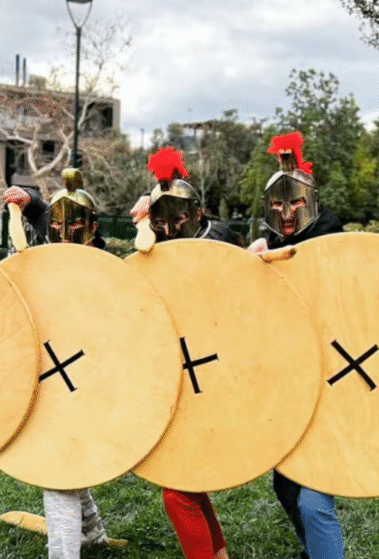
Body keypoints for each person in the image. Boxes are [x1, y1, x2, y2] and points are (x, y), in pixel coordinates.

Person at [130, 147, 238, 559]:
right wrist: (143, 222)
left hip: (215, 378)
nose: (172, 230)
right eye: (164, 223)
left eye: (179, 220)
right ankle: (218, 553)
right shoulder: (158, 249)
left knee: (179, 489)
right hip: (184, 378)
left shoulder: (219, 241)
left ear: (197, 213)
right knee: (188, 479)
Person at [2, 167, 109, 559]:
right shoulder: (46, 257)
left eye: (74, 225)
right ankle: (93, 532)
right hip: (51, 372)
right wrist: (28, 202)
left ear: (93, 227)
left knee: (58, 467)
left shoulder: (107, 265)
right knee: (66, 458)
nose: (64, 232)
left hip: (90, 378)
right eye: (57, 225)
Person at [248, 131, 345, 559]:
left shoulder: (330, 235)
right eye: (277, 206)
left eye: (295, 204)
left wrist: (274, 253)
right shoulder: (277, 241)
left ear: (311, 202)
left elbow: (313, 261)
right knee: (285, 484)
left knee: (313, 498)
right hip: (293, 380)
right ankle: (312, 550)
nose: (285, 213)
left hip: (333, 379)